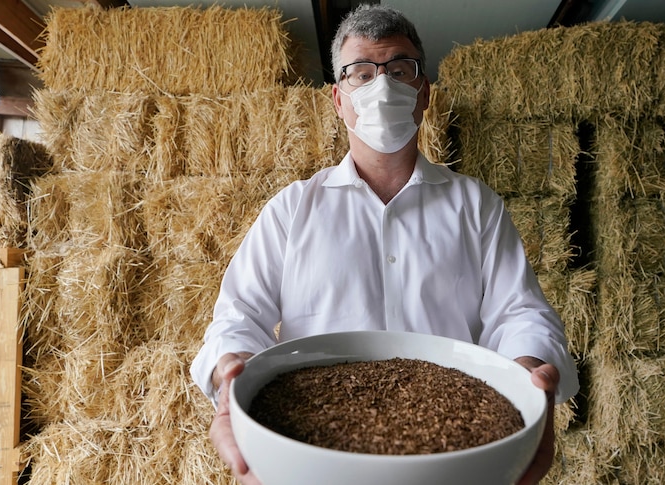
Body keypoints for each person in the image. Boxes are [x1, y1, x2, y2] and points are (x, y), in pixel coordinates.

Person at [191, 4, 579, 484]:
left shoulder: (473, 204)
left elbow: (519, 311)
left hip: (453, 450)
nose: (382, 86)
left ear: (424, 93)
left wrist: (527, 380)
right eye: (360, 73)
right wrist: (232, 374)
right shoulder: (293, 209)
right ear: (337, 98)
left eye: (400, 70)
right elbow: (237, 317)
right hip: (314, 452)